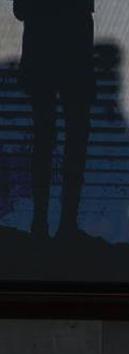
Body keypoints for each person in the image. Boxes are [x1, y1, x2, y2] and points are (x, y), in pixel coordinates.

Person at [12, 0, 95, 239]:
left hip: (43, 51)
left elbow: (20, 11)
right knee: (73, 140)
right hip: (72, 52)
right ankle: (65, 223)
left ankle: (42, 223)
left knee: (44, 139)